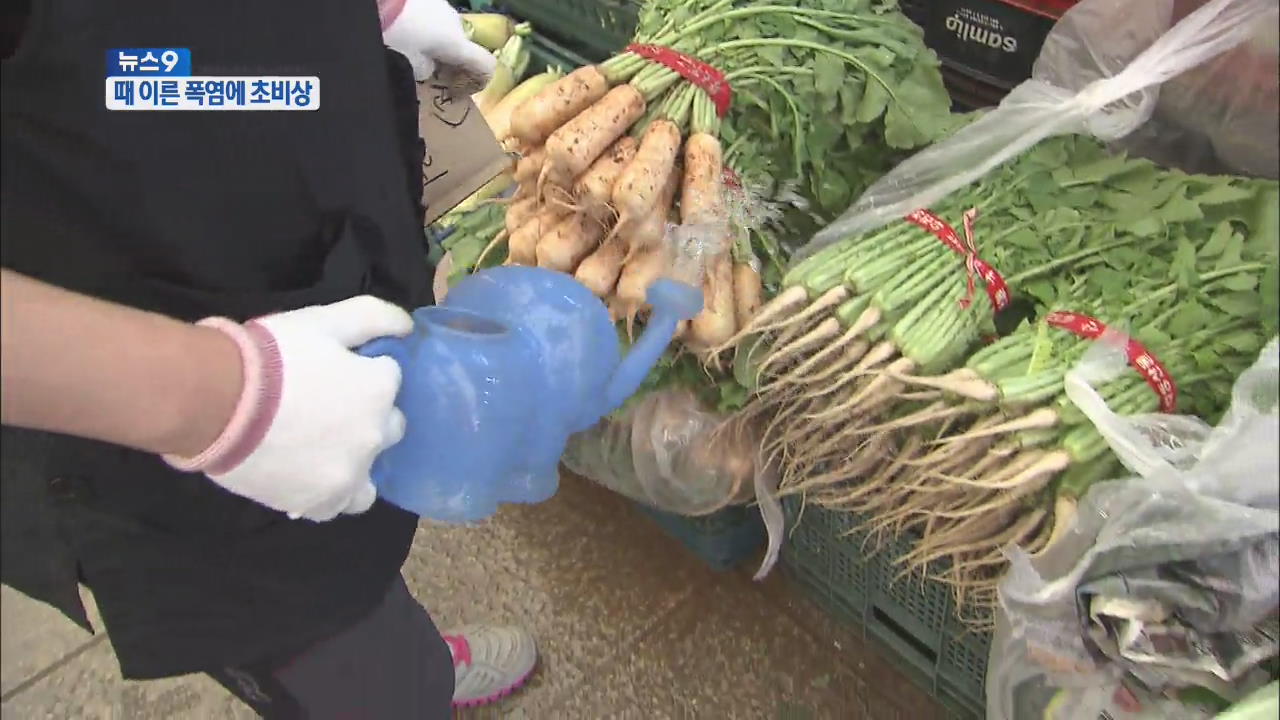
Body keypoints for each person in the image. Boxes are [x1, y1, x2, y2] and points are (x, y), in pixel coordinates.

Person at [0, 0, 537, 715]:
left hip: (284, 212)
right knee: (329, 647)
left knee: (358, 552)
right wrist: (219, 396)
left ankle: (404, 652)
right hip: (154, 405)